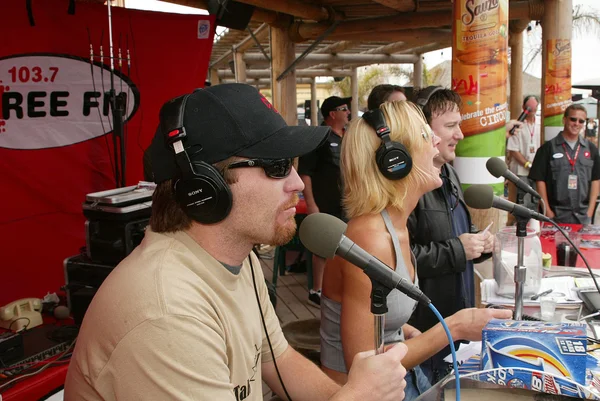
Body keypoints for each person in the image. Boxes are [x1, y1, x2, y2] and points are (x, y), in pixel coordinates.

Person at [64, 84, 409, 401]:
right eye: (277, 166)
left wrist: (349, 395)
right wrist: (359, 396)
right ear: (205, 189)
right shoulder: (165, 311)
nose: (297, 183)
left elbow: (280, 360)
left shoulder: (237, 260)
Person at [320, 100, 512, 401]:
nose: (436, 139)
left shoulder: (394, 226)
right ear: (395, 161)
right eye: (425, 135)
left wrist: (406, 331)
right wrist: (455, 327)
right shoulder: (370, 238)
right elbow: (365, 367)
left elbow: (380, 321)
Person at [404, 87, 494, 384]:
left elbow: (455, 235)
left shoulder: (450, 174)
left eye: (460, 125)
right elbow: (398, 259)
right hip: (422, 330)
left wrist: (478, 243)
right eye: (451, 126)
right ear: (423, 130)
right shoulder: (407, 185)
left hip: (455, 320)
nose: (461, 135)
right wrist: (458, 249)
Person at [298, 95, 351, 307]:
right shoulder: (318, 137)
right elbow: (305, 172)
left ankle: (337, 287)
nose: (348, 112)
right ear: (332, 114)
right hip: (324, 201)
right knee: (323, 246)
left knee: (344, 245)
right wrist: (311, 204)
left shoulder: (347, 136)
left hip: (345, 202)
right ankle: (316, 290)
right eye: (344, 108)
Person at [529, 104, 600, 224]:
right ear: (564, 119)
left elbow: (595, 180)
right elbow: (539, 181)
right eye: (573, 119)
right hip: (554, 215)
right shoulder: (547, 149)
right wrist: (548, 211)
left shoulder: (591, 149)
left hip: (582, 216)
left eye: (581, 121)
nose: (576, 123)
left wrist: (590, 211)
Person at [506, 95, 541, 225]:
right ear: (524, 107)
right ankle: (521, 226)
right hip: (521, 170)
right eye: (529, 107)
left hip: (537, 170)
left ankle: (533, 228)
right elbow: (513, 149)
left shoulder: (540, 124)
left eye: (534, 107)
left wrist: (537, 166)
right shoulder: (517, 125)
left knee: (535, 201)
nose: (532, 109)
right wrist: (527, 164)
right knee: (524, 201)